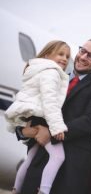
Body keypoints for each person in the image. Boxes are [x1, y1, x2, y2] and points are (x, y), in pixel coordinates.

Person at [16, 39, 91, 194]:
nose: (83, 57)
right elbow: (35, 107)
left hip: (71, 168)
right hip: (40, 159)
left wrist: (52, 132)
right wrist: (25, 130)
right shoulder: (55, 78)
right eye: (83, 51)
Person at [5, 40, 71, 194]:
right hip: (43, 119)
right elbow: (50, 102)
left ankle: (16, 189)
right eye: (60, 54)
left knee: (30, 159)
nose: (65, 59)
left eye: (67, 56)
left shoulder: (38, 70)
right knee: (58, 156)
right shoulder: (52, 72)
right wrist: (56, 127)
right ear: (47, 55)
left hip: (35, 117)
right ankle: (44, 191)